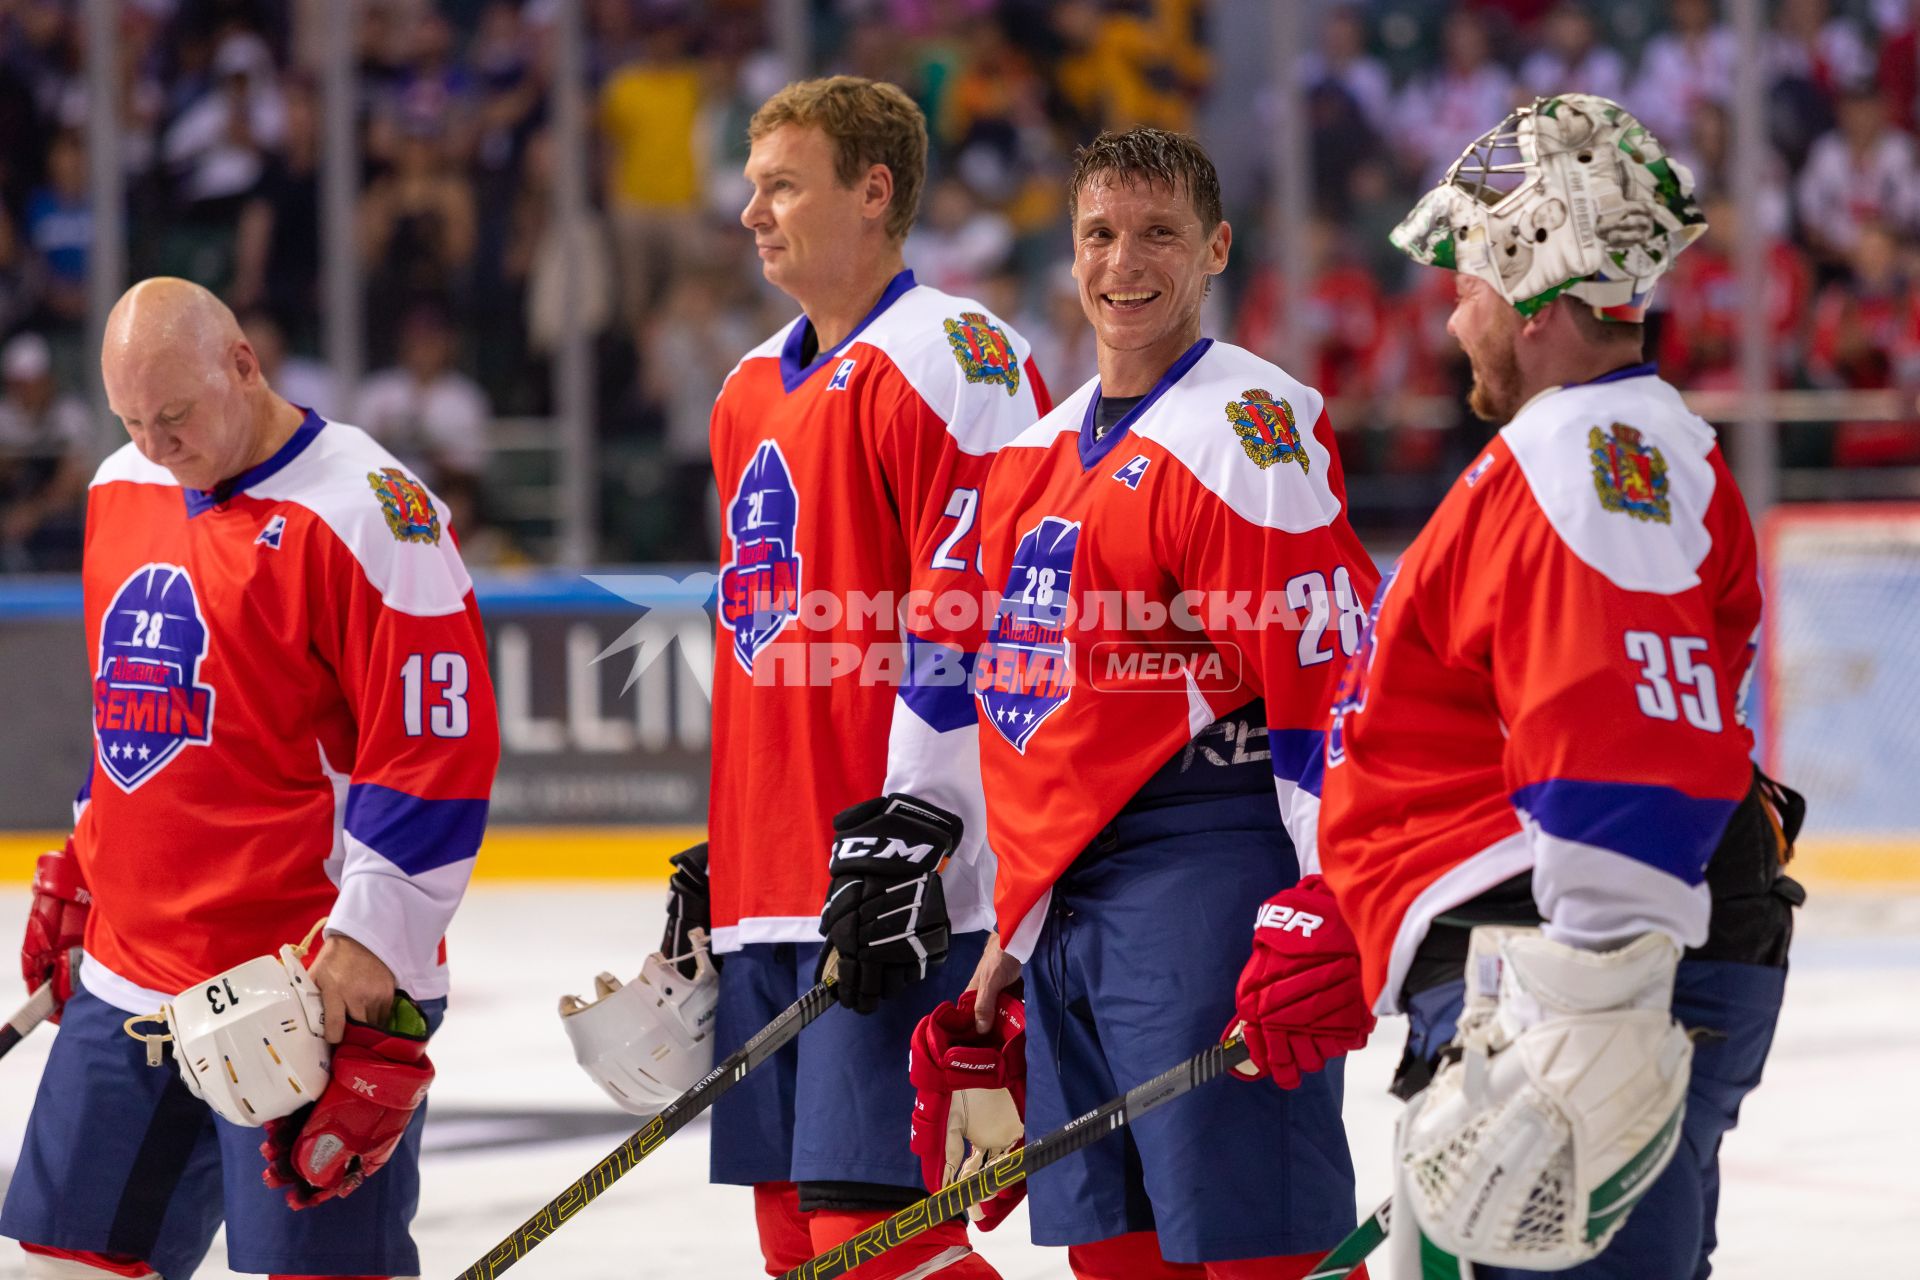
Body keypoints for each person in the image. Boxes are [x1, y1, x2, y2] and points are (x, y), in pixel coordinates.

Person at [1295, 95, 1802, 1277]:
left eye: (1469, 277)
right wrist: (1370, 908)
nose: (1454, 311)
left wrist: (1593, 1014)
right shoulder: (1617, 446)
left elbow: (1628, 737)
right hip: (1537, 964)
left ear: (1531, 288)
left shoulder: (1582, 456)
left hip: (1552, 988)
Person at [2, 278, 500, 1280]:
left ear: (243, 363)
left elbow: (437, 748)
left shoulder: (370, 512)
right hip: (132, 967)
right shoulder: (118, 486)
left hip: (299, 986)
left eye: (174, 416)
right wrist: (91, 858)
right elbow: (132, 707)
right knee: (64, 1263)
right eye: (131, 419)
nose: (155, 443)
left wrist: (371, 945)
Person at [950, 126, 1378, 1278]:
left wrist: (1332, 889)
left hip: (1210, 869)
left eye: (1159, 235)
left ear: (1217, 249)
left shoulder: (1246, 427)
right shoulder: (1034, 455)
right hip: (1070, 908)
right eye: (1099, 234)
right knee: (1115, 1256)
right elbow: (1030, 706)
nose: (1123, 262)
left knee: (1253, 1248)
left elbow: (1325, 671)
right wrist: (1011, 927)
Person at [644, 77, 1049, 1278]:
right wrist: (733, 852)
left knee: (869, 1242)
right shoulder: (746, 387)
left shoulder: (955, 356)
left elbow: (978, 611)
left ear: (874, 193)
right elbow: (767, 637)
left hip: (901, 880)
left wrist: (927, 822)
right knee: (794, 1241)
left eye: (782, 186)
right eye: (751, 186)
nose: (752, 214)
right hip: (781, 883)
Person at [0, 332, 93, 571]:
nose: (22, 391)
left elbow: (72, 481)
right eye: (16, 384)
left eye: (29, 383)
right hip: (14, 506)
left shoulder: (71, 414)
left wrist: (31, 514)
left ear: (46, 380)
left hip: (57, 520)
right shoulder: (4, 416)